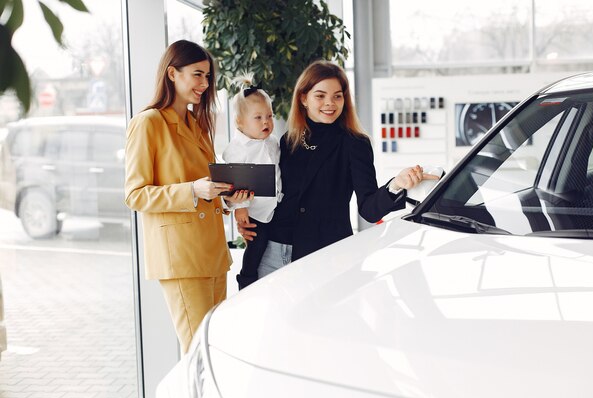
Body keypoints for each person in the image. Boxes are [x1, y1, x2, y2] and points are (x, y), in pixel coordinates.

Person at [238, 60, 439, 277]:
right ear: (304, 98)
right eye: (320, 95)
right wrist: (247, 216)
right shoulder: (289, 140)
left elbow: (369, 209)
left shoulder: (355, 143)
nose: (330, 103)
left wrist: (396, 185)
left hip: (322, 254)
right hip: (271, 252)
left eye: (337, 96)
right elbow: (273, 195)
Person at [124, 40, 250, 353]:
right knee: (199, 352)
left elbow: (207, 185)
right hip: (181, 257)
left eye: (208, 77)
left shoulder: (196, 124)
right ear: (172, 74)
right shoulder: (148, 123)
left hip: (212, 254)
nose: (205, 84)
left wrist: (229, 196)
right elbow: (135, 195)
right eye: (197, 75)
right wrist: (192, 190)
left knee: (215, 348)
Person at [222, 75, 282, 290]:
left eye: (269, 116)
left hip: (275, 206)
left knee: (273, 245)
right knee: (256, 246)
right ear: (240, 122)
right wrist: (240, 209)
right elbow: (234, 182)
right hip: (254, 210)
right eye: (258, 118)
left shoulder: (274, 142)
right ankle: (246, 281)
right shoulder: (238, 149)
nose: (266, 122)